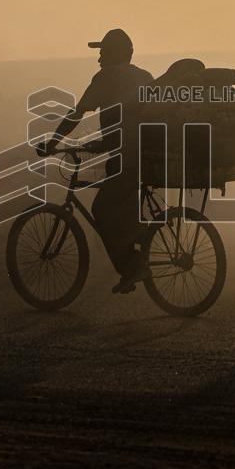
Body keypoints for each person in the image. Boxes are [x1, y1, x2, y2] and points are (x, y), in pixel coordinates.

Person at [37, 28, 155, 293]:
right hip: (145, 156)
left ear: (115, 53)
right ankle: (141, 243)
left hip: (126, 157)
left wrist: (53, 143)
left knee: (102, 209)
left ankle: (132, 266)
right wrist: (98, 144)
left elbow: (77, 113)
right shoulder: (145, 76)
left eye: (103, 52)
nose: (99, 58)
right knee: (121, 208)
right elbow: (130, 121)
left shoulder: (107, 77)